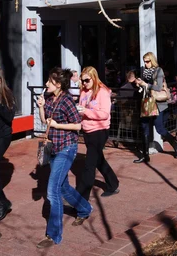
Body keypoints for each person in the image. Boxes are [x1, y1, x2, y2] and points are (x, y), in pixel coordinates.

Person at [37, 67, 92, 249]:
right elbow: (46, 121)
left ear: (58, 84)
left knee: (52, 192)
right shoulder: (50, 98)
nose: (46, 84)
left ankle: (54, 235)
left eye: (49, 82)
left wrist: (58, 125)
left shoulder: (67, 100)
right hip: (53, 147)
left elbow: (78, 126)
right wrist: (41, 108)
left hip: (67, 148)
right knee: (63, 186)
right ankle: (84, 209)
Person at [76, 67, 119, 200]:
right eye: (82, 81)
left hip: (99, 130)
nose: (84, 83)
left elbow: (105, 114)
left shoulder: (103, 92)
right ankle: (113, 183)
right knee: (98, 160)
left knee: (89, 165)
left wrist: (86, 112)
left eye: (87, 80)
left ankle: (80, 198)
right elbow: (81, 107)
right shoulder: (83, 91)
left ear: (94, 78)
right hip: (87, 129)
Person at [134, 52, 177, 163]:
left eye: (148, 61)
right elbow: (144, 85)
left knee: (159, 128)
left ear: (152, 60)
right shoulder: (144, 72)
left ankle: (175, 143)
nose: (146, 64)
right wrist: (139, 83)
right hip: (146, 102)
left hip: (157, 104)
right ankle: (145, 155)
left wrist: (146, 85)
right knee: (144, 127)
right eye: (144, 61)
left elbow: (159, 87)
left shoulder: (159, 71)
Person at [0, 68, 15, 223]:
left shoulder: (6, 95)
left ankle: (3, 203)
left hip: (3, 136)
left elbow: (9, 117)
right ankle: (2, 202)